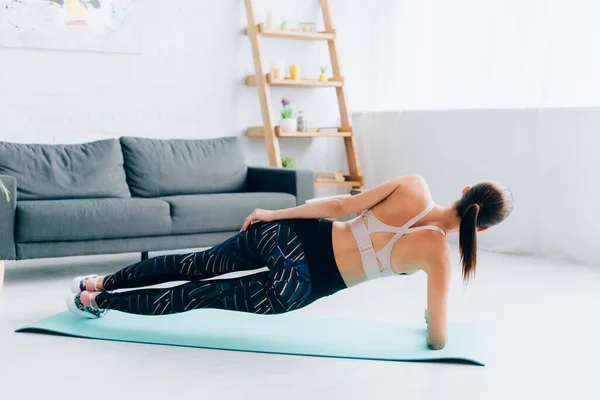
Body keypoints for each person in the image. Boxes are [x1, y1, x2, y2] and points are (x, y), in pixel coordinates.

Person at [66, 174, 513, 350]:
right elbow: (437, 339)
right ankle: (98, 304)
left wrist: (273, 214)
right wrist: (431, 320)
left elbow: (339, 206)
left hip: (287, 237)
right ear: (483, 229)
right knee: (198, 293)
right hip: (298, 286)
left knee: (192, 265)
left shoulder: (414, 186)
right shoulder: (438, 258)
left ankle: (100, 280)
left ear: (464, 189)